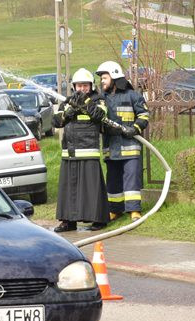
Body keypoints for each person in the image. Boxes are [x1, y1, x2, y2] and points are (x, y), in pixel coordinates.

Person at [52, 68, 108, 232]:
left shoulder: (99, 100)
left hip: (88, 151)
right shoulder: (67, 102)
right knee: (68, 189)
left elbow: (100, 116)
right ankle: (68, 221)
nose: (82, 89)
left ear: (91, 86)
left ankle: (98, 219)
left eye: (85, 86)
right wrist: (70, 111)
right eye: (79, 86)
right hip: (69, 152)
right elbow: (56, 121)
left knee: (92, 189)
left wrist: (86, 104)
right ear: (74, 86)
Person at [96, 60, 150, 222]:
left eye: (104, 77)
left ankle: (134, 210)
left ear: (114, 76)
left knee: (131, 179)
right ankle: (115, 210)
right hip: (111, 148)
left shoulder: (133, 96)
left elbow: (144, 115)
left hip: (130, 146)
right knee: (113, 181)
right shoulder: (101, 99)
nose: (102, 81)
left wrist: (134, 129)